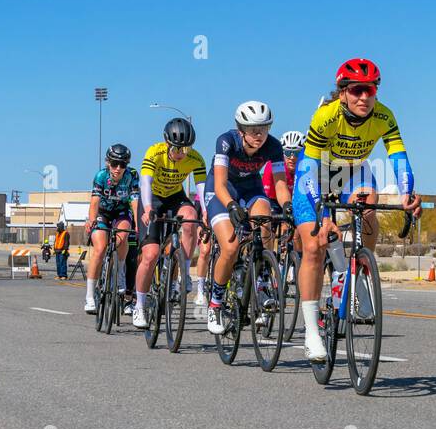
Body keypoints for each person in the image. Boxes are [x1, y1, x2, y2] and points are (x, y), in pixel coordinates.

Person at [293, 58, 420, 361]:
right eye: (358, 90)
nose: (365, 97)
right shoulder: (326, 116)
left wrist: (407, 194)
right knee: (314, 246)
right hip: (316, 174)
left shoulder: (384, 116)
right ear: (343, 93)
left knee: (369, 207)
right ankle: (311, 332)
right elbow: (311, 169)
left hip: (352, 172)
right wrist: (324, 216)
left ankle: (360, 273)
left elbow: (398, 156)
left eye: (371, 90)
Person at [204, 101, 291, 335]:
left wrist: (288, 207)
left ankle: (262, 280)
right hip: (222, 190)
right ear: (241, 130)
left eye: (264, 128)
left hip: (251, 188)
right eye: (254, 130)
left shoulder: (273, 146)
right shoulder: (226, 141)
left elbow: (281, 185)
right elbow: (221, 184)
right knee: (230, 248)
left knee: (265, 221)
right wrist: (231, 206)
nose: (259, 135)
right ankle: (215, 303)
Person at [129, 118, 207, 328]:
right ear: (166, 143)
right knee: (151, 254)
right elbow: (145, 182)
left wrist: (206, 213)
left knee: (191, 217)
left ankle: (183, 271)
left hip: (175, 196)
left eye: (185, 148)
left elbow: (201, 188)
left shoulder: (196, 158)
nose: (181, 153)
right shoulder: (154, 153)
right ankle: (139, 305)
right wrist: (147, 209)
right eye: (176, 148)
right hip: (152, 198)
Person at [84, 143, 138, 314]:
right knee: (100, 249)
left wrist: (138, 225)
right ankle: (90, 296)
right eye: (115, 164)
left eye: (123, 164)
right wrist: (92, 220)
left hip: (121, 212)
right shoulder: (101, 176)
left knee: (123, 236)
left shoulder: (130, 177)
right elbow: (94, 202)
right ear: (108, 163)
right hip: (103, 213)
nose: (118, 168)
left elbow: (135, 202)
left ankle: (120, 272)